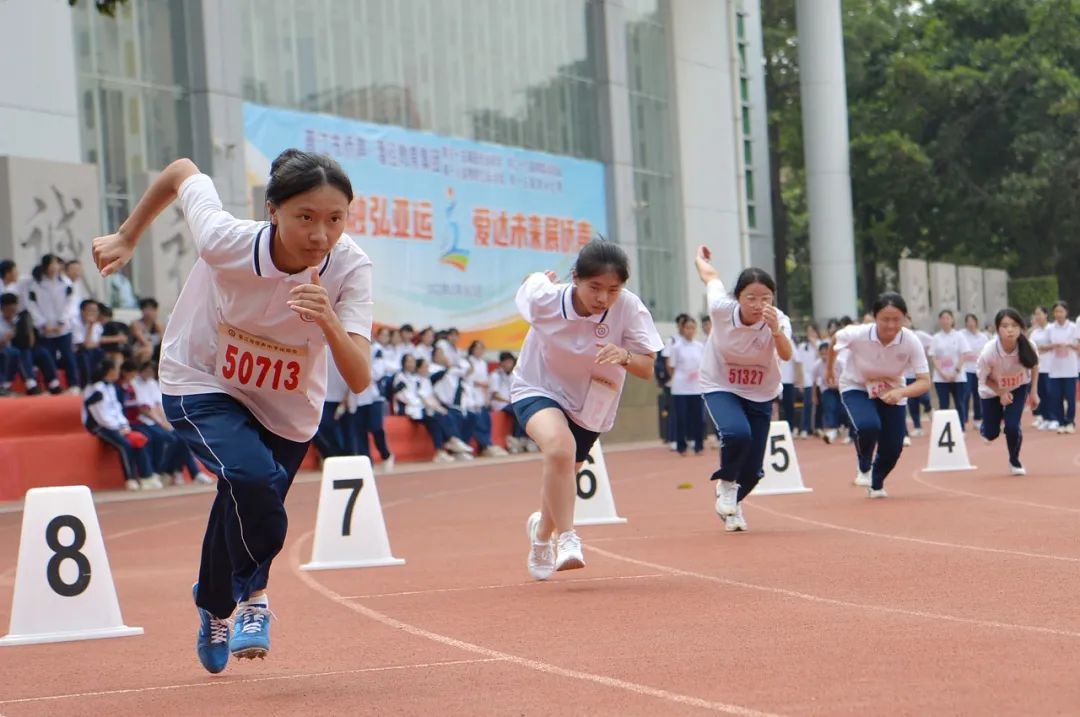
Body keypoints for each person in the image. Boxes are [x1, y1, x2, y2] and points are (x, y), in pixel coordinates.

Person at [91, 149, 373, 673]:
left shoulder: (351, 268)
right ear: (273, 210)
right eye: (304, 218)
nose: (320, 235)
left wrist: (329, 320)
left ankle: (214, 602)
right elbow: (180, 170)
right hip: (201, 378)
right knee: (250, 476)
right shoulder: (226, 240)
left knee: (241, 500)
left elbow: (358, 376)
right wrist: (128, 234)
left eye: (335, 219)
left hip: (287, 408)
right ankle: (253, 600)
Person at [511, 240, 662, 579]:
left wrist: (623, 355)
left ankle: (541, 534)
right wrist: (537, 280)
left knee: (564, 467)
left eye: (613, 289)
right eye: (594, 287)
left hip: (591, 401)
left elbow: (646, 367)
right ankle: (567, 539)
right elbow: (528, 284)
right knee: (559, 448)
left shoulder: (629, 308)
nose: (602, 298)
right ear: (575, 278)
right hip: (537, 386)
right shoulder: (545, 299)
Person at [695, 246, 792, 532]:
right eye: (750, 298)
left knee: (753, 472)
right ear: (737, 298)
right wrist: (700, 258)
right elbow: (710, 276)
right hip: (720, 383)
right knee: (737, 433)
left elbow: (786, 355)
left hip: (760, 391)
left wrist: (775, 330)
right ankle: (725, 484)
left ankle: (733, 506)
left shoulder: (778, 320)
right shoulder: (720, 308)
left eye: (765, 298)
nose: (757, 304)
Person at [828, 293, 930, 497]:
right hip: (856, 384)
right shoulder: (857, 333)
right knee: (868, 425)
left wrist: (901, 392)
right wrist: (829, 370)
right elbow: (834, 340)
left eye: (897, 320)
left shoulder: (910, 340)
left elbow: (925, 381)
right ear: (875, 317)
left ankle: (876, 483)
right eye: (885, 319)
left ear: (905, 318)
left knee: (894, 447)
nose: (891, 325)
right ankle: (864, 464)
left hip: (892, 388)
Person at [977, 309, 1040, 475]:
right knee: (991, 434)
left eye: (1014, 325)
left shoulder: (1029, 346)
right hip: (991, 390)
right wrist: (1001, 392)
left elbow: (1034, 366)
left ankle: (1014, 460)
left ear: (1020, 328)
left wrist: (1033, 392)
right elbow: (984, 379)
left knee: (1012, 426)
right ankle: (986, 429)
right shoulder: (989, 352)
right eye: (1005, 326)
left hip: (1018, 387)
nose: (1010, 329)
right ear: (998, 329)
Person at [82, 358, 158, 491]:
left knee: (138, 441)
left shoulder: (110, 387)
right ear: (110, 371)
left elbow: (116, 409)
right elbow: (101, 416)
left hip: (116, 425)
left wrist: (124, 425)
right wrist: (118, 428)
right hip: (100, 427)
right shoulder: (96, 389)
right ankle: (130, 478)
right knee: (125, 445)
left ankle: (147, 476)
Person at [27, 254, 81, 391]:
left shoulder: (66, 283)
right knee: (48, 358)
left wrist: (62, 321)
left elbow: (71, 304)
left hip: (63, 329)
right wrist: (43, 324)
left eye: (56, 264)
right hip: (46, 330)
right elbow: (32, 306)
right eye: (51, 265)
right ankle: (51, 386)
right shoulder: (36, 285)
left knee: (68, 356)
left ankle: (73, 384)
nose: (54, 268)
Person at [666, 316, 705, 455]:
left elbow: (703, 365)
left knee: (698, 419)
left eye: (692, 328)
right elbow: (671, 366)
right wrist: (678, 378)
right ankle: (681, 446)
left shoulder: (700, 346)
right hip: (681, 389)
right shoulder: (677, 347)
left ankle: (699, 445)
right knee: (681, 418)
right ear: (682, 329)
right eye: (687, 328)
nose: (690, 331)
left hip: (696, 388)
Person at [930, 309, 971, 429]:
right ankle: (945, 428)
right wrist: (942, 373)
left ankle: (961, 428)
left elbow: (964, 354)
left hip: (958, 377)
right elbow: (934, 357)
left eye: (947, 318)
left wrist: (956, 371)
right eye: (942, 318)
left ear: (952, 320)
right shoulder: (936, 337)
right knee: (943, 404)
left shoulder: (959, 336)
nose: (945, 321)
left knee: (959, 402)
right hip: (941, 378)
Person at [1041, 301, 1077, 433]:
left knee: (1070, 398)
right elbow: (1042, 348)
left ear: (1066, 312)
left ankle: (1070, 422)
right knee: (1056, 398)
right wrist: (1053, 346)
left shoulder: (1073, 327)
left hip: (1070, 369)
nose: (1058, 314)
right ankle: (1061, 422)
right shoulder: (1050, 329)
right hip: (1055, 370)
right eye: (1056, 311)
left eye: (1061, 311)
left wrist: (1069, 345)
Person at [961, 313, 989, 428]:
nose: (970, 323)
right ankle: (964, 418)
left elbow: (987, 352)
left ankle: (978, 419)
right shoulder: (961, 335)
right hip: (966, 369)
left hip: (979, 369)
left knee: (978, 394)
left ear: (976, 322)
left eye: (972, 321)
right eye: (968, 321)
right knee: (966, 394)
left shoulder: (983, 337)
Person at [793, 324, 820, 439]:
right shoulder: (802, 346)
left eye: (812, 331)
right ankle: (804, 428)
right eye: (808, 331)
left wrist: (815, 343)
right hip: (808, 379)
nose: (810, 334)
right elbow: (800, 364)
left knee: (820, 405)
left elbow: (822, 356)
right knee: (807, 403)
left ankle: (818, 427)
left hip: (819, 379)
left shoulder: (820, 344)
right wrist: (800, 381)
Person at [1029, 306, 1052, 429]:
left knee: (1049, 393)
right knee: (1040, 392)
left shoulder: (1051, 329)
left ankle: (1051, 417)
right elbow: (1030, 348)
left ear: (1046, 314)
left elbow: (1054, 344)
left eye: (1039, 314)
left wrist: (1041, 348)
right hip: (1038, 367)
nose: (1037, 316)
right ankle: (1043, 417)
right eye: (1035, 314)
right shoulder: (1034, 332)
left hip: (1050, 367)